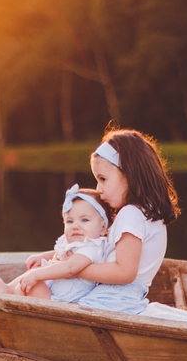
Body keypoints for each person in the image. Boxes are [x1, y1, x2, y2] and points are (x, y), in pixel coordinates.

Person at [73, 128, 181, 316]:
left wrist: (75, 270)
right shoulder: (147, 213)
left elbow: (124, 272)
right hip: (124, 302)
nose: (98, 189)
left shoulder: (131, 214)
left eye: (103, 179)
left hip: (111, 303)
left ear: (130, 174)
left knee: (45, 293)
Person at [0, 185, 111, 302]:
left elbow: (70, 268)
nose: (75, 226)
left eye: (84, 220)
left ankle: (13, 294)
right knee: (34, 273)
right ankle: (7, 289)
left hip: (60, 300)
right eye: (70, 221)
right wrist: (43, 257)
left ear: (102, 228)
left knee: (33, 280)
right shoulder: (74, 243)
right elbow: (61, 253)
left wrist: (36, 275)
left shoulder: (93, 247)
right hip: (52, 288)